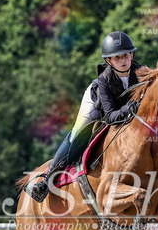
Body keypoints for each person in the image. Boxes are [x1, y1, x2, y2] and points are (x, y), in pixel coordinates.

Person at [25, 31, 143, 203]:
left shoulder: (142, 74)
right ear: (109, 61)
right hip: (97, 105)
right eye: (117, 57)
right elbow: (110, 117)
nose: (123, 60)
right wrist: (129, 109)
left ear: (131, 55)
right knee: (79, 133)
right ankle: (46, 179)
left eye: (125, 55)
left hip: (123, 108)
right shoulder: (104, 80)